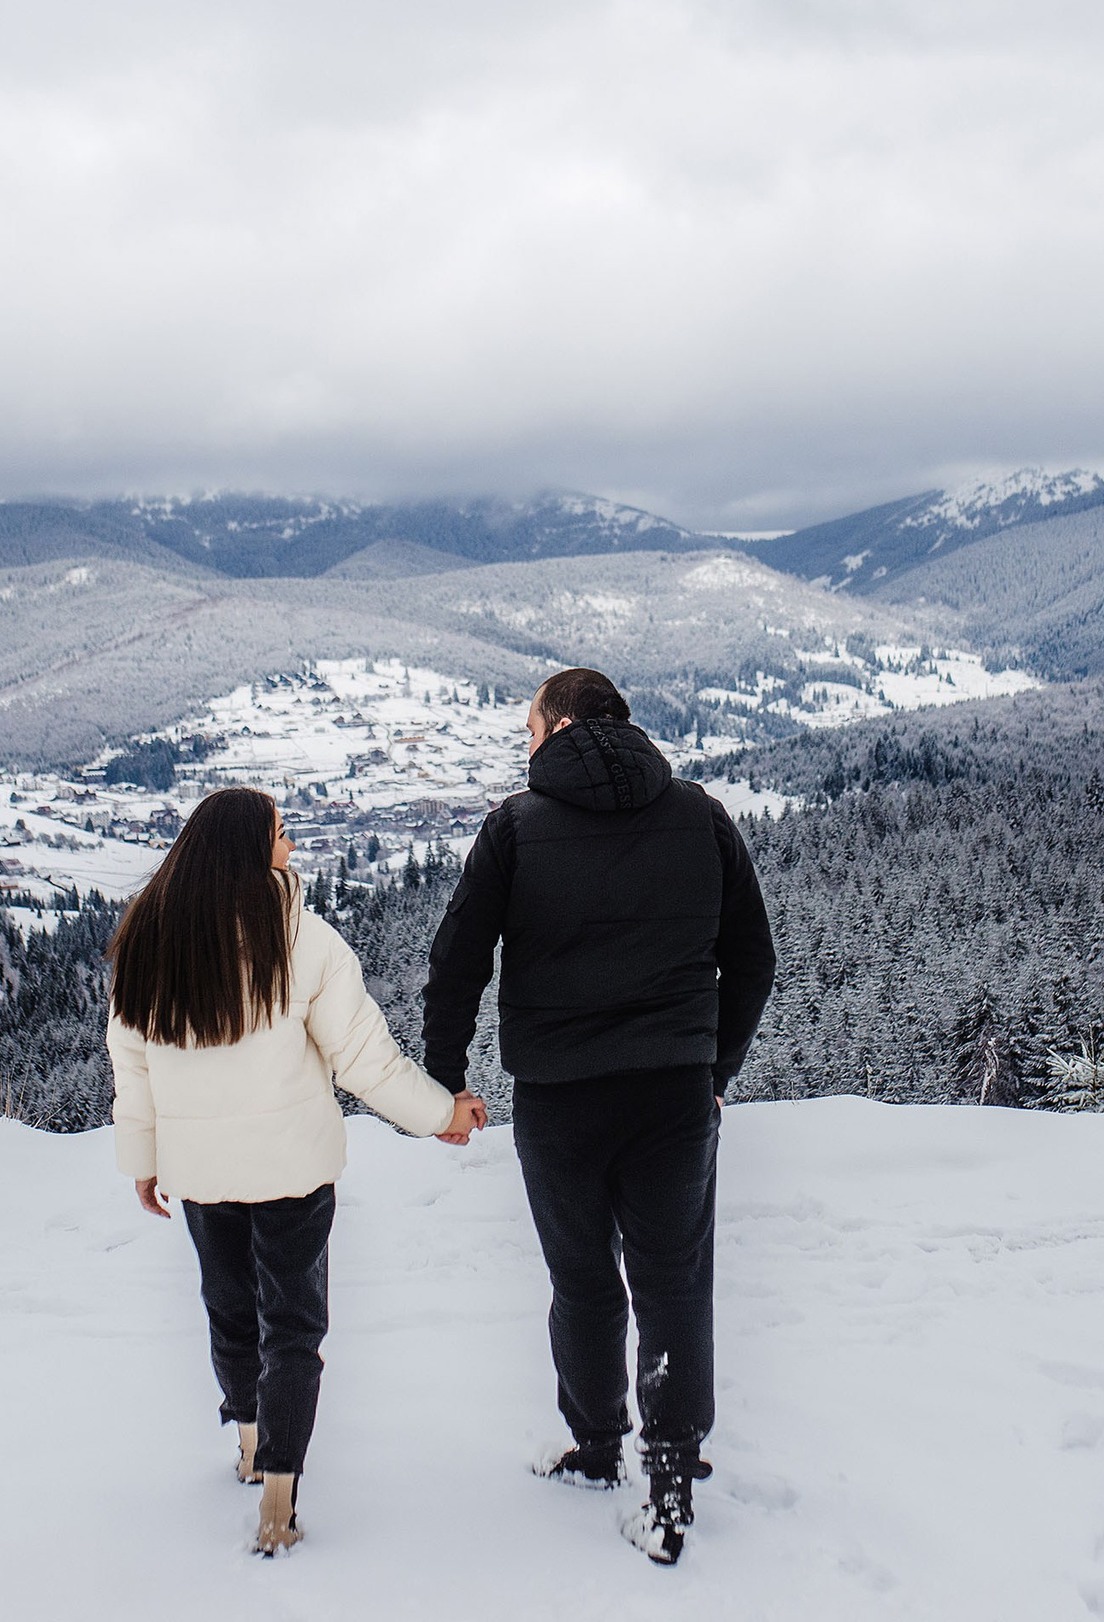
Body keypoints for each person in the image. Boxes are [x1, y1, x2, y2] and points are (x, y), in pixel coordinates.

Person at [421, 667, 776, 1565]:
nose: (524, 743)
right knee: (673, 1281)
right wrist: (715, 1065)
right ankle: (669, 1479)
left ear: (559, 725)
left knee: (582, 1279)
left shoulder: (514, 828)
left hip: (560, 1097)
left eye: (527, 729)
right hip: (673, 1093)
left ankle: (594, 1446)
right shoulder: (699, 814)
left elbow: (457, 959)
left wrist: (443, 1080)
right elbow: (754, 959)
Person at [107, 786, 485, 1557]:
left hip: (202, 1175)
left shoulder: (149, 945)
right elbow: (365, 1061)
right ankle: (280, 1492)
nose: (291, 848)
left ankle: (248, 1440)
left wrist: (142, 1162)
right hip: (293, 1172)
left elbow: (134, 1069)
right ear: (250, 848)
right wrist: (441, 1112)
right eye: (281, 834)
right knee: (293, 1326)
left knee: (229, 1309)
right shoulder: (303, 941)